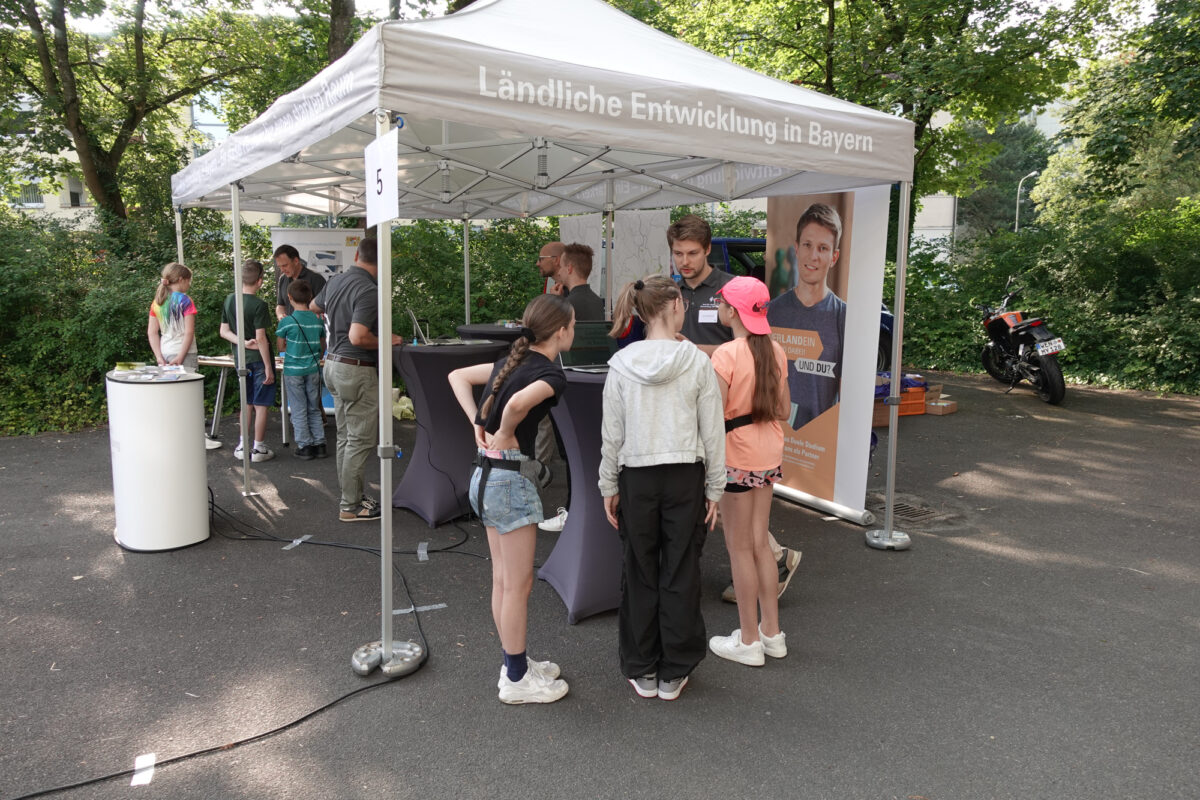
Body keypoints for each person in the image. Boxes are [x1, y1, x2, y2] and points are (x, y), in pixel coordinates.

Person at [599, 274, 725, 701]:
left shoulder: (621, 364)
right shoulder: (698, 362)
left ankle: (642, 666)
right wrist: (715, 488)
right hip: (685, 476)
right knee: (681, 569)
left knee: (639, 570)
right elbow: (713, 432)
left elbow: (611, 435)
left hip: (636, 476)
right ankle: (675, 669)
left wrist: (607, 484)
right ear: (674, 305)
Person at [448, 293, 576, 705]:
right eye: (573, 325)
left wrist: (476, 423)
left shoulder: (509, 361)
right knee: (517, 586)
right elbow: (519, 402)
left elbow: (456, 376)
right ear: (561, 331)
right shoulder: (552, 375)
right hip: (509, 483)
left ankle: (513, 663)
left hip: (484, 476)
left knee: (503, 581)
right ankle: (517, 679)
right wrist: (503, 430)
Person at [708, 277, 790, 666]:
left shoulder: (725, 355)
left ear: (732, 311)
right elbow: (784, 410)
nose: (718, 307)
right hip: (769, 453)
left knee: (739, 548)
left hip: (736, 456)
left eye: (721, 302)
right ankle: (773, 634)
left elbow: (713, 416)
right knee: (759, 544)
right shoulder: (776, 350)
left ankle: (748, 639)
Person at [312, 238, 400, 523]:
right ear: (382, 261)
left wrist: (332, 317)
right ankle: (350, 506)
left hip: (332, 365)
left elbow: (313, 305)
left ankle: (351, 497)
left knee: (345, 437)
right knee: (359, 441)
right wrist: (388, 339)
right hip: (355, 369)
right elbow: (358, 337)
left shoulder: (335, 281)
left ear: (356, 256)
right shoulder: (369, 290)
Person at [766, 202, 847, 431]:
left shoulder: (844, 317)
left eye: (823, 248)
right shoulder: (771, 313)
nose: (813, 256)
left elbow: (848, 396)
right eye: (807, 245)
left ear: (834, 257)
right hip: (774, 441)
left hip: (819, 444)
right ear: (796, 248)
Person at [220, 259, 276, 463]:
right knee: (261, 405)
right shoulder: (260, 305)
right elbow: (261, 338)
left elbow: (224, 331)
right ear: (260, 281)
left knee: (246, 403)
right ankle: (258, 447)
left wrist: (242, 343)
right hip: (259, 360)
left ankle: (243, 444)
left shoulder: (230, 300)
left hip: (241, 359)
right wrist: (269, 366)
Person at [275, 280, 327, 461]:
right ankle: (320, 444)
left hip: (293, 370)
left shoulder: (287, 322)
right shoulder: (317, 320)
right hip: (313, 369)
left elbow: (280, 346)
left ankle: (305, 446)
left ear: (289, 297)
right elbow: (322, 345)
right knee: (314, 407)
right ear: (310, 297)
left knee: (298, 408)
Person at [670, 214, 733, 357]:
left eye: (692, 253)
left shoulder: (732, 288)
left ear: (707, 249)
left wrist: (693, 350)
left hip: (719, 371)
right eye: (678, 254)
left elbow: (748, 349)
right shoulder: (670, 293)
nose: (685, 261)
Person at [147, 262, 198, 372]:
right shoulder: (185, 300)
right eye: (189, 281)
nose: (189, 285)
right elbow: (189, 332)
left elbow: (152, 332)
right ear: (181, 279)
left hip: (165, 352)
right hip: (184, 353)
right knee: (188, 383)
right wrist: (180, 356)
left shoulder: (157, 302)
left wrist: (158, 356)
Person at [274, 244, 327, 321]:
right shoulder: (283, 279)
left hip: (311, 327)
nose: (282, 270)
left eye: (285, 265)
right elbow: (280, 305)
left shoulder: (316, 279)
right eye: (279, 266)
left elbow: (324, 307)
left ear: (296, 261)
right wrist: (280, 315)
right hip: (290, 327)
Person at [555, 243, 605, 320]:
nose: (559, 272)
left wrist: (555, 301)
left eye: (561, 267)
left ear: (569, 269)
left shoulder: (568, 305)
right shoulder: (597, 301)